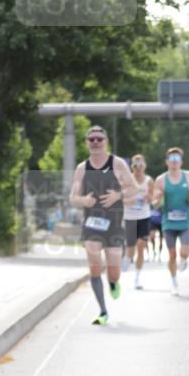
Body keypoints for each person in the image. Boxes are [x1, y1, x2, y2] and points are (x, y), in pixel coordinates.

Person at [69, 125, 137, 325]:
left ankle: (114, 282)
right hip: (91, 224)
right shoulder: (82, 168)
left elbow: (134, 189)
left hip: (114, 224)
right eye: (92, 139)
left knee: (113, 270)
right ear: (87, 143)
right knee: (94, 266)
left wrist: (118, 195)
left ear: (106, 141)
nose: (96, 143)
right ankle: (103, 311)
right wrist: (83, 201)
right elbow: (72, 197)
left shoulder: (116, 164)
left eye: (99, 139)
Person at [152, 147, 189, 296]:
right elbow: (154, 203)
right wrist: (158, 197)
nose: (174, 162)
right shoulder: (160, 179)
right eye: (171, 159)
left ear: (181, 162)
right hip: (168, 221)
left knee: (184, 251)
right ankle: (174, 283)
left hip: (186, 220)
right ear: (167, 161)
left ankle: (184, 259)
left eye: (176, 159)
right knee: (171, 254)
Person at [123, 154, 153, 289]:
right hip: (129, 218)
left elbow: (152, 197)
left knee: (141, 245)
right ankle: (128, 258)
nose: (138, 168)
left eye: (141, 165)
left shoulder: (149, 181)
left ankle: (137, 277)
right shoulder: (126, 181)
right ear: (131, 167)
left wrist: (149, 198)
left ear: (145, 166)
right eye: (135, 165)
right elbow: (119, 198)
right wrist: (129, 201)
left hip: (144, 217)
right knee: (131, 249)